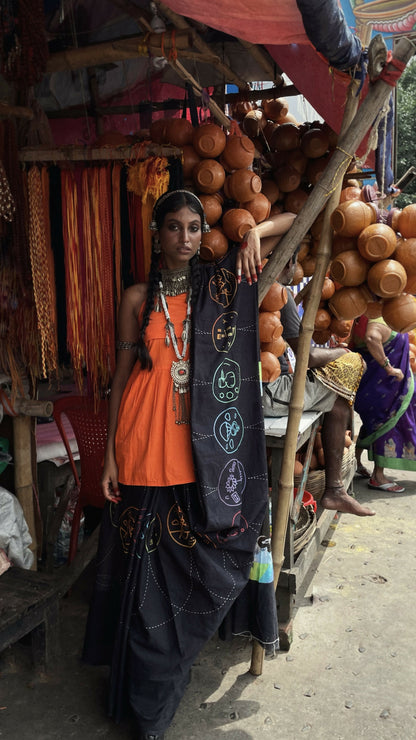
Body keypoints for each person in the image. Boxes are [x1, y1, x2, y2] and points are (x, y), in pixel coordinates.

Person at [82, 189, 295, 740]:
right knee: (139, 584)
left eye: (194, 228)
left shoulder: (219, 286)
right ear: (157, 234)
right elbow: (122, 381)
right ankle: (142, 706)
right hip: (138, 452)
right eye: (173, 227)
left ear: (205, 235)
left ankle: (156, 690)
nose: (185, 238)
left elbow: (297, 217)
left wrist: (252, 233)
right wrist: (108, 455)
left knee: (182, 578)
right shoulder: (136, 298)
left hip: (196, 456)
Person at [241, 218, 375, 518]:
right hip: (259, 394)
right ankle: (334, 490)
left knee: (337, 393)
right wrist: (341, 353)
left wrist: (254, 232)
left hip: (245, 388)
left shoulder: (244, 279)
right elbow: (307, 357)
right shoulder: (276, 290)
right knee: (349, 366)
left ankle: (335, 491)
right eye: (295, 260)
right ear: (287, 260)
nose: (297, 269)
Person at [350, 314, 416, 493]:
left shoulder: (370, 314)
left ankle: (353, 463)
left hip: (379, 387)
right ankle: (378, 477)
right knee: (386, 425)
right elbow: (372, 337)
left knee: (374, 425)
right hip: (383, 389)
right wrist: (388, 367)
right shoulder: (378, 315)